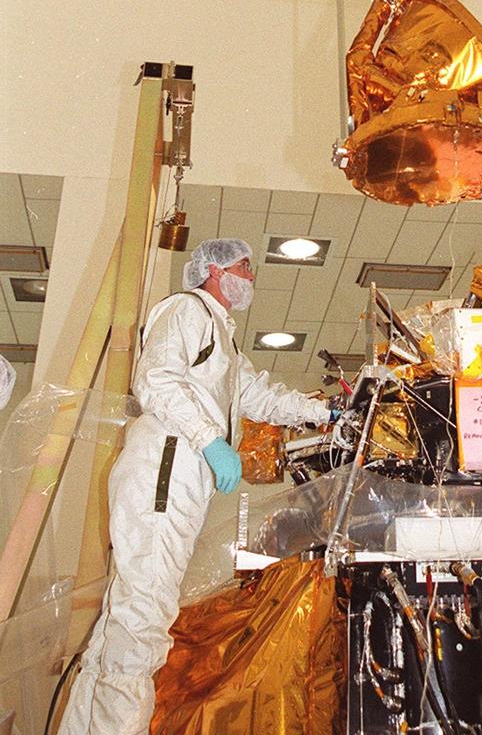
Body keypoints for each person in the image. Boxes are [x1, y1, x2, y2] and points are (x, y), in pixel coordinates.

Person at [58, 238, 337, 735]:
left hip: (178, 472)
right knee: (145, 613)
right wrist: (210, 440)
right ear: (214, 270)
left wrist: (327, 412)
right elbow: (157, 379)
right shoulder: (187, 310)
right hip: (167, 466)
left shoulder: (222, 339)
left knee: (129, 614)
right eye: (244, 267)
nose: (251, 276)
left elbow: (261, 397)